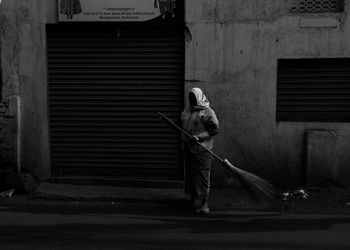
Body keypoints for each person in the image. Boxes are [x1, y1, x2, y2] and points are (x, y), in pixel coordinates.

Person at [181, 87, 219, 214]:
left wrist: (199, 137)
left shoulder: (207, 112)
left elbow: (214, 130)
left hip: (203, 150)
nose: (191, 99)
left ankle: (204, 204)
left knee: (202, 177)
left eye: (193, 97)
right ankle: (193, 201)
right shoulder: (188, 111)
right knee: (191, 177)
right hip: (189, 149)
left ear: (199, 97)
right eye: (190, 97)